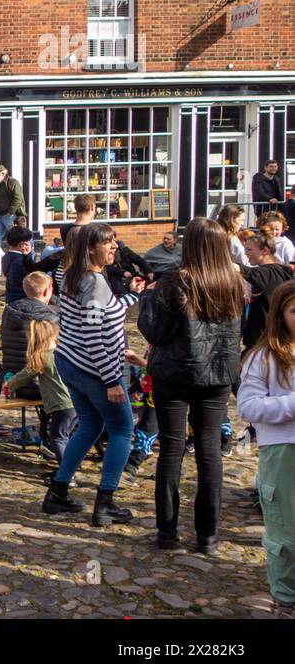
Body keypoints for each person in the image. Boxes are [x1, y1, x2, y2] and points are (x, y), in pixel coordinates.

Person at [137, 217, 243, 555]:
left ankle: (168, 532)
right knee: (209, 452)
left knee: (172, 449)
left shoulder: (174, 284)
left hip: (176, 372)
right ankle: (207, 534)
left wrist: (148, 300)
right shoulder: (233, 283)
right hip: (215, 375)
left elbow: (154, 331)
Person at [42, 223, 144, 525]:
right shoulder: (95, 282)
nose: (115, 247)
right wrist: (112, 379)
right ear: (90, 248)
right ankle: (106, 502)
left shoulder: (73, 275)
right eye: (108, 243)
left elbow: (100, 313)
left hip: (70, 360)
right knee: (123, 430)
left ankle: (58, 490)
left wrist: (130, 298)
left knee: (88, 426)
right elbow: (93, 333)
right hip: (94, 369)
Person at [236, 279, 295, 617]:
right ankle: (285, 599)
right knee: (287, 534)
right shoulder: (265, 357)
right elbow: (249, 407)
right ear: (280, 314)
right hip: (283, 450)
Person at [6, 316, 77, 462]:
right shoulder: (63, 353)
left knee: (57, 438)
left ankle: (67, 473)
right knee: (67, 437)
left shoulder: (42, 357)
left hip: (62, 404)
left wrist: (9, 384)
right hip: (76, 402)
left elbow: (23, 376)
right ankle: (71, 464)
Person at [0, 165, 27, 242]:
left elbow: (18, 198)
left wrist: (10, 212)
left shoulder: (13, 182)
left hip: (10, 216)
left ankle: (28, 252)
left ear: (3, 173)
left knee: (18, 237)